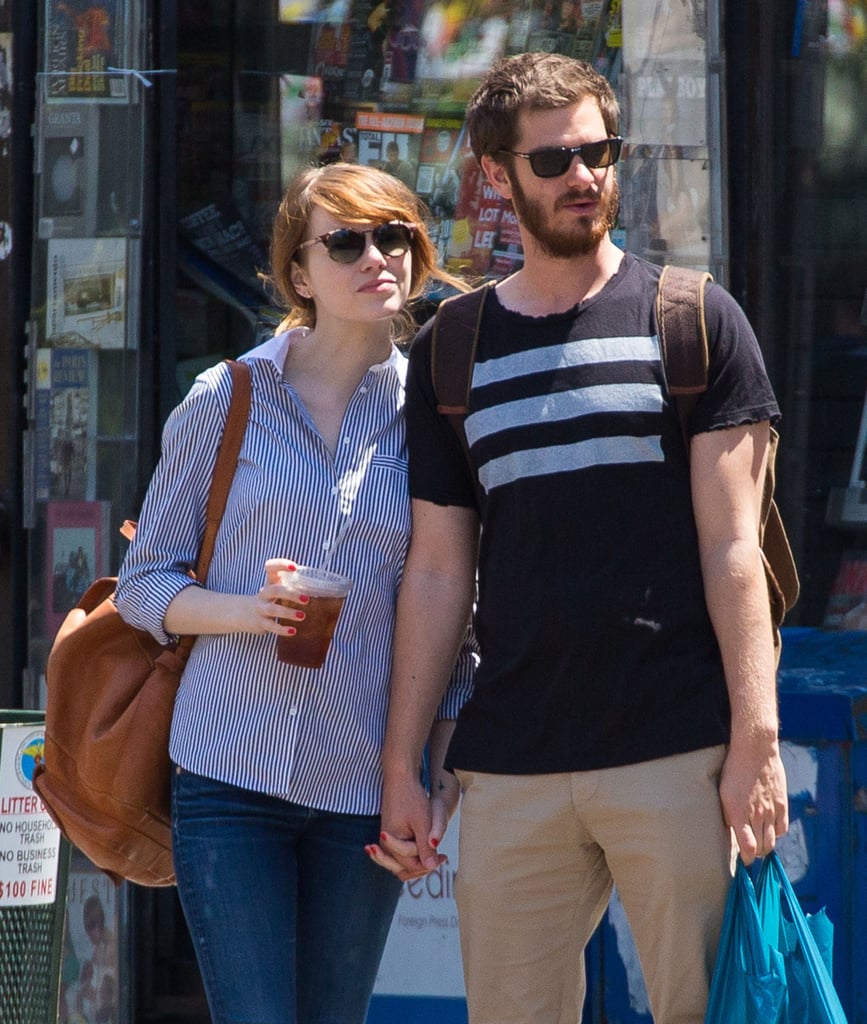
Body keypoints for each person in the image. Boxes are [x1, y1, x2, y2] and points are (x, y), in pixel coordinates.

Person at [370, 51, 789, 1024]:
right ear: (497, 175)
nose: (583, 177)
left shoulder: (693, 321)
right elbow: (436, 574)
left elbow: (736, 552)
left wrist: (756, 741)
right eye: (553, 160)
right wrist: (403, 764)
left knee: (716, 1012)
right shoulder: (452, 348)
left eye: (599, 153)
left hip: (676, 746)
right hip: (511, 758)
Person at [114, 162, 474, 1024]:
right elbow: (144, 583)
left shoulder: (435, 416)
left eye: (394, 237)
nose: (374, 256)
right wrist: (248, 611)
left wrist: (439, 776)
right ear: (300, 275)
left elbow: (456, 617)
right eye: (345, 240)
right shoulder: (227, 397)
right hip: (226, 771)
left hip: (362, 785)